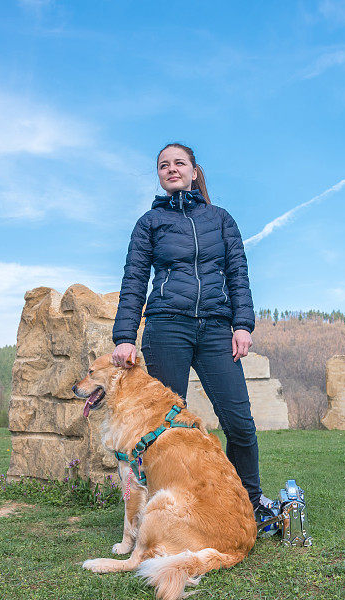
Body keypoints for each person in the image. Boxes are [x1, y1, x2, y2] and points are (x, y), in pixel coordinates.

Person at [110, 142, 273, 523]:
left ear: (194, 171)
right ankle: (164, 508)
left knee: (240, 424)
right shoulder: (150, 223)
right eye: (163, 165)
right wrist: (125, 336)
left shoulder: (220, 219)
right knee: (164, 430)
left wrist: (243, 325)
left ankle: (249, 505)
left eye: (179, 163)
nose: (171, 169)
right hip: (167, 328)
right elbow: (134, 280)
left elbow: (238, 275)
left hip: (217, 329)